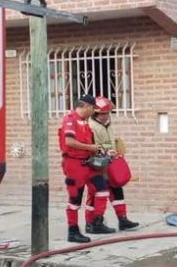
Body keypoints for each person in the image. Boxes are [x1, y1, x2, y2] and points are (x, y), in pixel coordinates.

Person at [58, 95, 115, 243]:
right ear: (86, 106)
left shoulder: (84, 122)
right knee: (75, 199)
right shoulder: (70, 119)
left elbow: (91, 143)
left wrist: (103, 151)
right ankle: (73, 231)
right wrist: (90, 147)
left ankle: (95, 222)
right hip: (74, 164)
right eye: (93, 109)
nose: (94, 112)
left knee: (101, 190)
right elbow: (69, 142)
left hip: (88, 163)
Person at [85, 96, 139, 232]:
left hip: (109, 164)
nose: (105, 116)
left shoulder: (108, 125)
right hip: (97, 165)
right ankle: (92, 223)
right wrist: (108, 149)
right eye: (102, 113)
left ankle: (123, 219)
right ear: (95, 113)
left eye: (107, 113)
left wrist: (116, 147)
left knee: (117, 189)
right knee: (96, 194)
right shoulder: (91, 126)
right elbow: (93, 146)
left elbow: (110, 142)